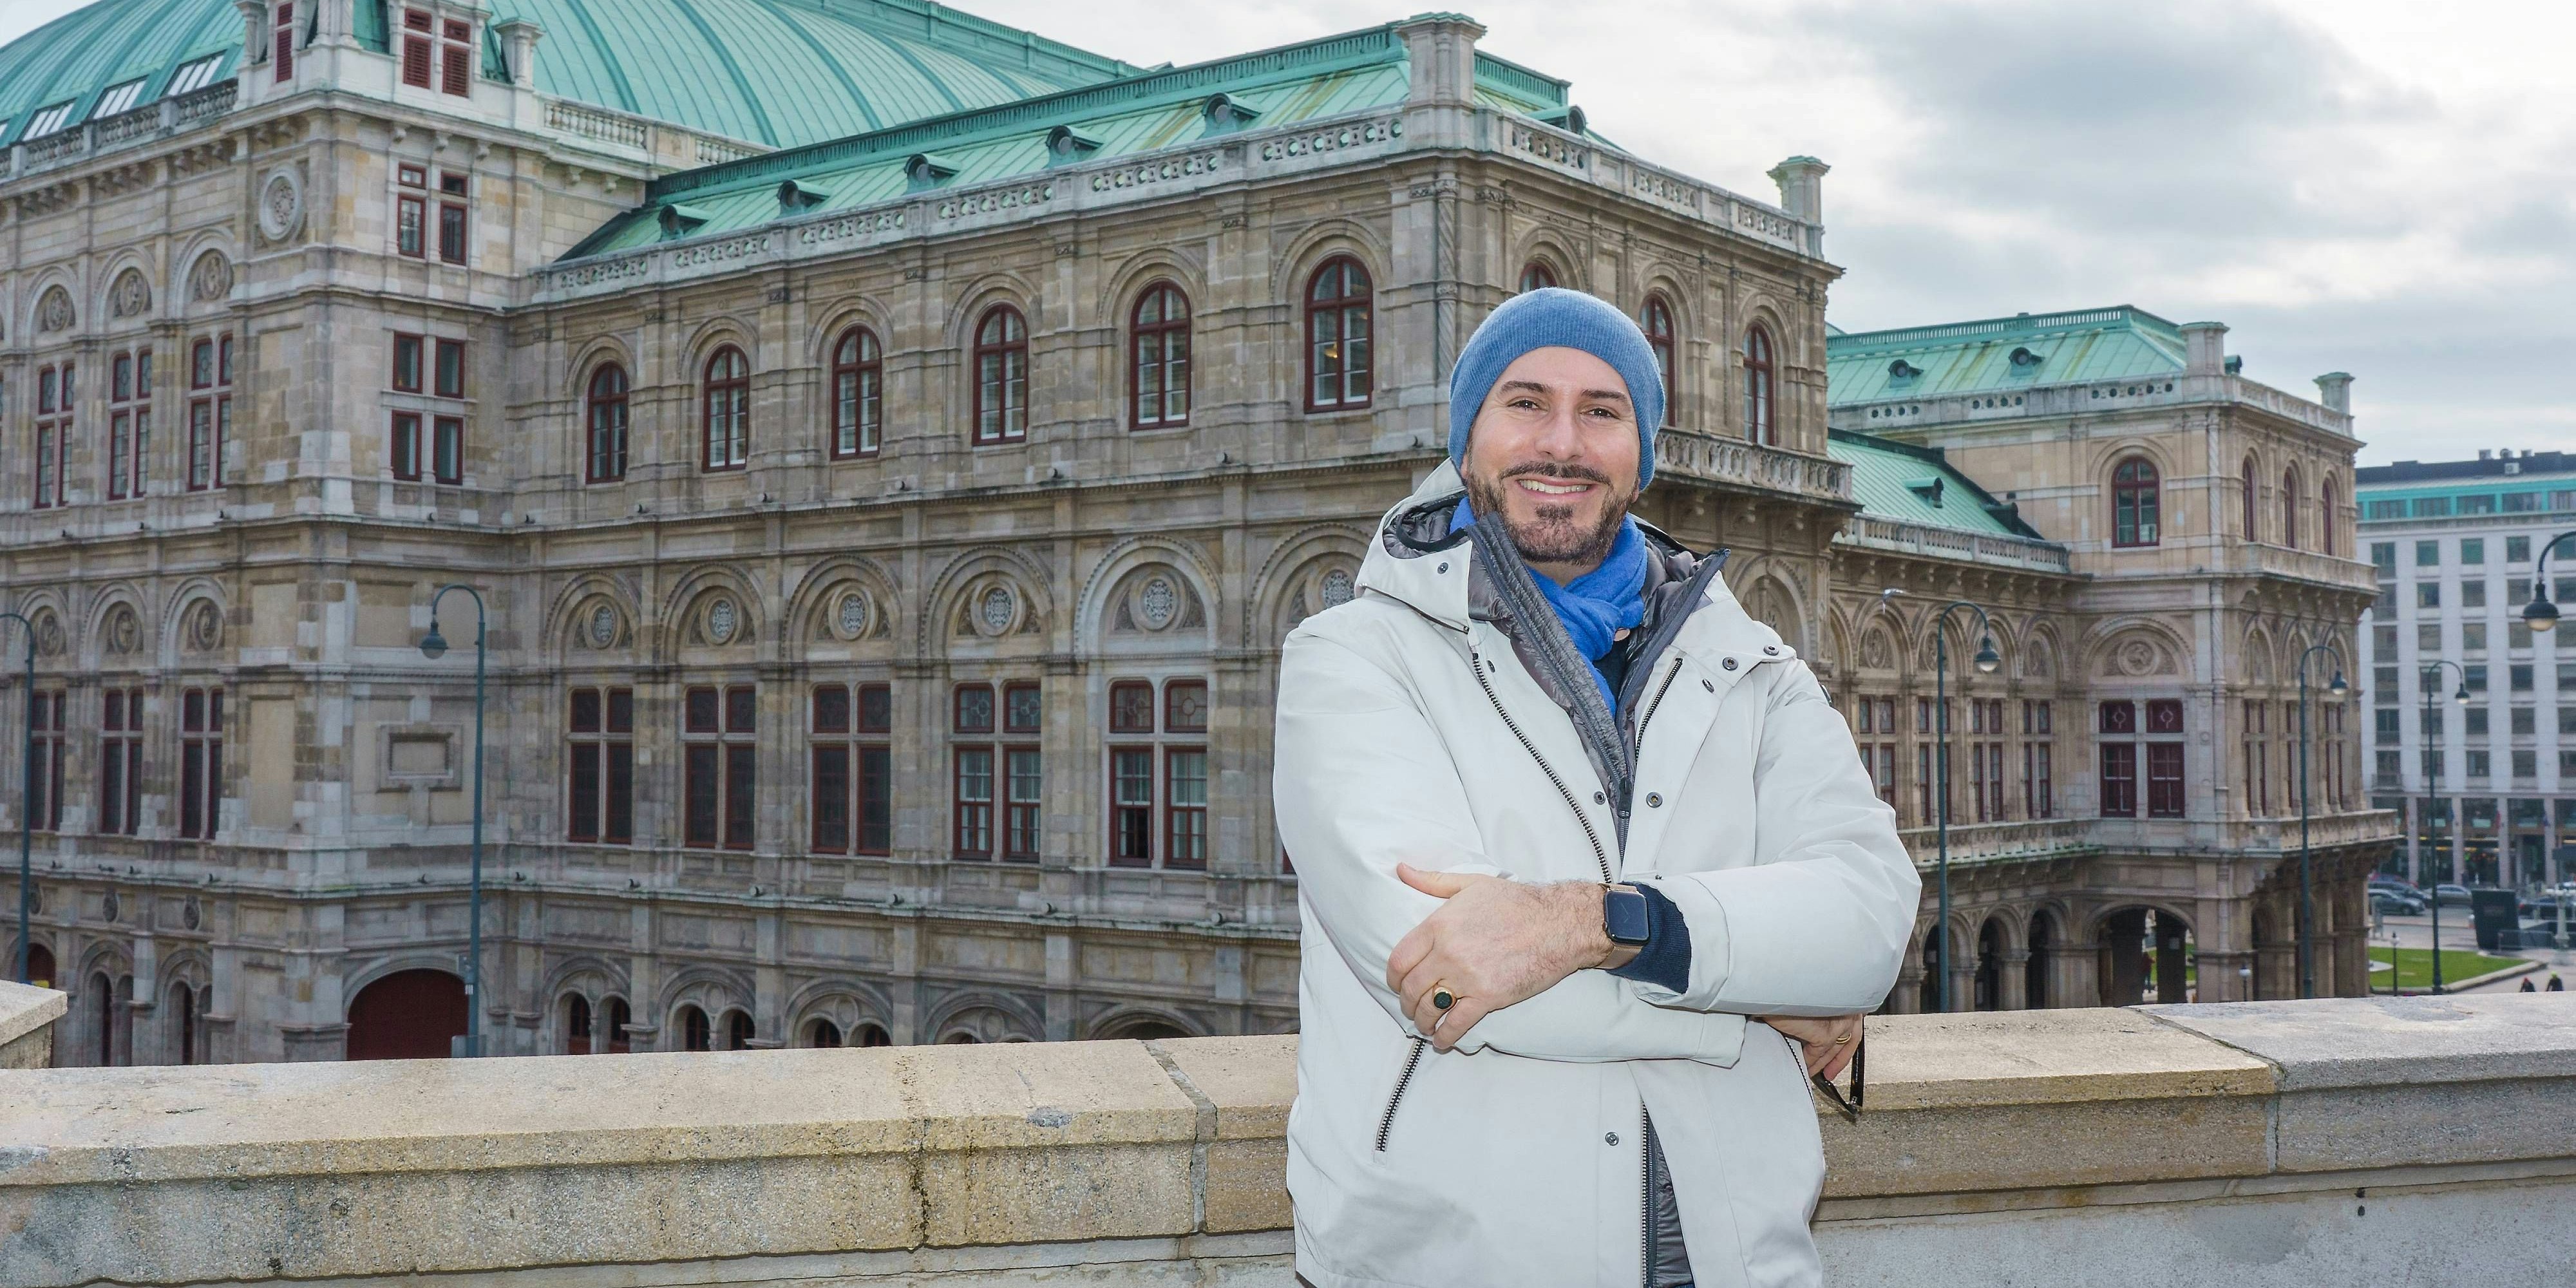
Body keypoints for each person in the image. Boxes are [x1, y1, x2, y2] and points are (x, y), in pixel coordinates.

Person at [1276, 289, 1918, 1288]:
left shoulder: (1753, 664)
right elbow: (1450, 976)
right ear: (1469, 437)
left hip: (1739, 1260)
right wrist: (1765, 995)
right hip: (1449, 1265)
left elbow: (1872, 921)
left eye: (1603, 411)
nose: (1562, 443)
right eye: (1525, 403)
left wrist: (1601, 924)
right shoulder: (1352, 658)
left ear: (1642, 448)